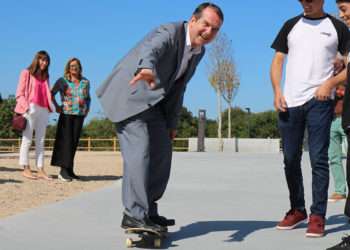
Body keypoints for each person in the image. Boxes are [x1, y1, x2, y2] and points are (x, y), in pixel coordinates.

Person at [96, 2, 223, 232]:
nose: (209, 32)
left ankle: (148, 211)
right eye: (206, 25)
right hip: (129, 96)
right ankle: (134, 214)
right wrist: (146, 68)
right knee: (140, 151)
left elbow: (179, 87)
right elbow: (151, 49)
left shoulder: (199, 51)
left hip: (153, 104)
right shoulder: (169, 31)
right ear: (193, 20)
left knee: (162, 153)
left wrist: (171, 123)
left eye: (215, 30)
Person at [270, 0, 350, 238]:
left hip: (320, 101)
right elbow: (277, 61)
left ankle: (318, 215)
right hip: (290, 102)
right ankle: (297, 209)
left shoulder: (337, 27)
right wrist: (276, 91)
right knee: (290, 158)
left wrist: (330, 83)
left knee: (319, 158)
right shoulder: (290, 25)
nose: (305, 2)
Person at [327, 1, 350, 249]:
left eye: (344, 8)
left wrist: (329, 84)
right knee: (336, 157)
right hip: (338, 117)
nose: (342, 15)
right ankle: (340, 189)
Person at [15, 50, 54, 180]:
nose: (44, 62)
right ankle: (25, 167)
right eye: (42, 59)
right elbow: (19, 93)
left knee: (41, 140)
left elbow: (48, 94)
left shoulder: (46, 77)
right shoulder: (26, 73)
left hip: (43, 109)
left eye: (46, 60)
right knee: (27, 139)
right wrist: (26, 108)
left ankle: (40, 169)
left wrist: (50, 108)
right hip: (30, 107)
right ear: (37, 60)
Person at [51, 58, 91, 182]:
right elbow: (51, 94)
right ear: (68, 67)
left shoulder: (85, 81)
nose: (74, 67)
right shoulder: (62, 81)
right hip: (66, 114)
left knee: (73, 142)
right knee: (66, 142)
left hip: (80, 115)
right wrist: (57, 107)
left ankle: (70, 170)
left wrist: (87, 109)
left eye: (76, 65)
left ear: (80, 67)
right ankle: (63, 171)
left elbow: (88, 97)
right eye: (72, 65)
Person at [329, 84, 347, 203]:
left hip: (347, 118)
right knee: (334, 157)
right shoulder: (327, 75)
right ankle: (340, 191)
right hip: (332, 120)